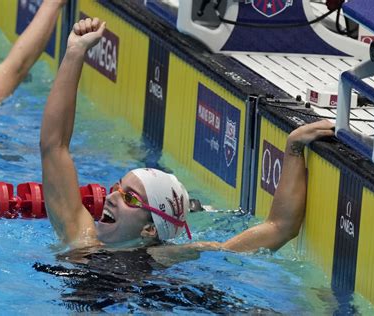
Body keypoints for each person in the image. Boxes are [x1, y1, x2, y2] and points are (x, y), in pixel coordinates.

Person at [40, 16, 336, 252]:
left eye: (130, 198)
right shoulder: (80, 239)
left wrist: (293, 149)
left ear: (150, 229)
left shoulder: (167, 259)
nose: (112, 197)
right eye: (118, 187)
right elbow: (54, 147)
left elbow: (279, 228)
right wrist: (75, 53)